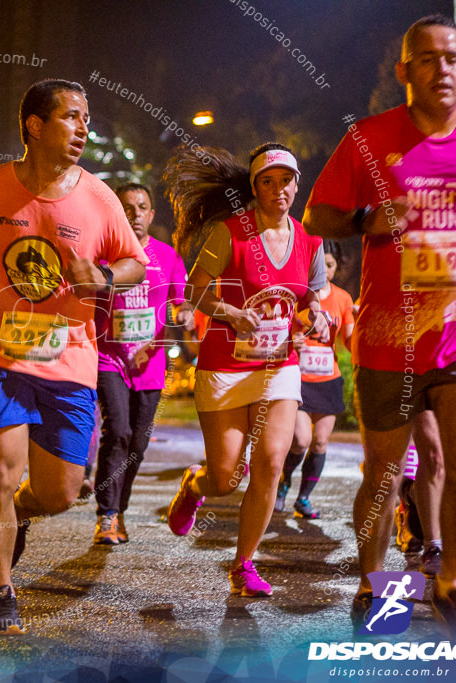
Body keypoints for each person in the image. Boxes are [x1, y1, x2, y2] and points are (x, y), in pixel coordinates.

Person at [303, 15, 456, 641]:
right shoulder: (369, 138)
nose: (441, 69)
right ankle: (379, 584)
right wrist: (367, 220)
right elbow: (318, 213)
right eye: (427, 59)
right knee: (385, 472)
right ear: (404, 71)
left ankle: (449, 584)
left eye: (452, 59)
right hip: (390, 335)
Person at [0, 79, 147, 634]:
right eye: (71, 117)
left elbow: (135, 264)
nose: (83, 128)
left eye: (85, 118)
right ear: (34, 125)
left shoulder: (98, 197)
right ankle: (0, 592)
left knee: (59, 493)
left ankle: (19, 515)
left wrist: (101, 275)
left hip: (70, 360)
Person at [163, 142, 329, 597]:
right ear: (254, 188)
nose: (278, 189)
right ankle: (194, 487)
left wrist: (317, 312)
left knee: (271, 463)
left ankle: (243, 565)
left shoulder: (310, 239)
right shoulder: (229, 233)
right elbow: (193, 291)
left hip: (280, 366)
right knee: (225, 478)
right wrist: (231, 314)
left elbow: (312, 293)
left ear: (297, 184)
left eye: (286, 180)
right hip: (226, 365)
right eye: (267, 182)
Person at [92, 182, 192, 545]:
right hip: (109, 359)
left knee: (138, 445)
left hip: (150, 364)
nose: (134, 214)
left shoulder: (167, 257)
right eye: (127, 207)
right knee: (116, 431)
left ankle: (120, 508)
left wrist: (185, 314)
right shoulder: (102, 257)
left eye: (141, 207)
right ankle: (106, 515)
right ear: (116, 213)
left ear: (151, 215)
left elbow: (180, 300)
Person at [277, 240, 355, 519]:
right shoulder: (295, 296)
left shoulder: (343, 299)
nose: (325, 270)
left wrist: (361, 322)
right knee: (300, 440)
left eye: (330, 265)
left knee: (320, 443)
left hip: (328, 380)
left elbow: (350, 343)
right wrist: (291, 341)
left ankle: (304, 499)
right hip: (298, 380)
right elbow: (276, 331)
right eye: (319, 265)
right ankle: (283, 484)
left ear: (336, 267)